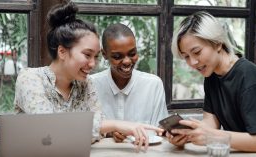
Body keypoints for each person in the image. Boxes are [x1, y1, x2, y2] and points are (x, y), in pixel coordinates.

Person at [14, 1, 163, 152]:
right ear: (62, 52)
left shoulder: (86, 84)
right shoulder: (30, 79)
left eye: (96, 56)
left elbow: (99, 132)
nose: (93, 64)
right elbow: (49, 130)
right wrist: (115, 125)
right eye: (87, 55)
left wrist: (98, 129)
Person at [169, 11, 256, 155]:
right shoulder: (211, 76)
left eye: (197, 52)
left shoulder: (251, 78)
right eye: (186, 57)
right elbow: (211, 123)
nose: (193, 62)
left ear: (218, 43)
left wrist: (214, 137)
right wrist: (188, 134)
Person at [91, 23, 168, 142]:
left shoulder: (153, 84)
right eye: (117, 56)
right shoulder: (91, 85)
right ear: (105, 54)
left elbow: (160, 131)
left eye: (132, 54)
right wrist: (109, 132)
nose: (127, 61)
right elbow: (83, 130)